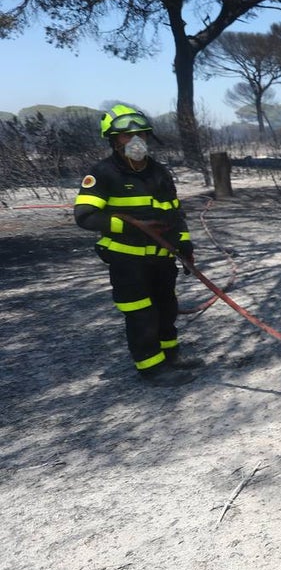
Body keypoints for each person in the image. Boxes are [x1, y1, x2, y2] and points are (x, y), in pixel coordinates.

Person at [74, 104, 201, 385]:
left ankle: (172, 356)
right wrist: (133, 226)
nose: (135, 141)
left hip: (162, 258)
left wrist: (185, 246)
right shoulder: (103, 174)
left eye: (141, 134)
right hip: (127, 262)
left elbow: (175, 213)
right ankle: (151, 368)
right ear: (112, 140)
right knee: (141, 314)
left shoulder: (159, 172)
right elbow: (85, 216)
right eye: (125, 136)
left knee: (167, 309)